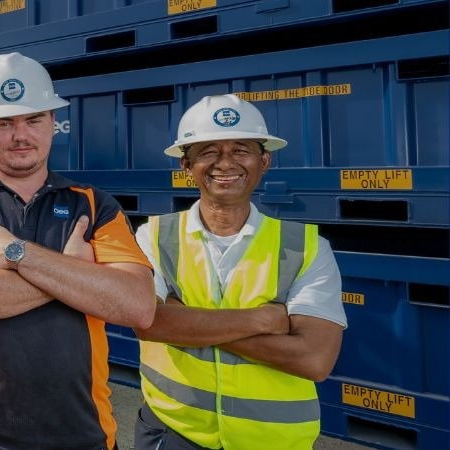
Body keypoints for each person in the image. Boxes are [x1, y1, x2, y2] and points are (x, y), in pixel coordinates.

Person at [0, 52, 158, 450]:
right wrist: (79, 273)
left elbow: (137, 306)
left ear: (52, 123)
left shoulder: (95, 204)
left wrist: (17, 255)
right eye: (4, 122)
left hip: (83, 433)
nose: (20, 135)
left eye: (33, 119)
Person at [130, 94, 345, 449]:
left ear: (264, 161)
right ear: (186, 165)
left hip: (274, 441)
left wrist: (186, 322)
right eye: (208, 151)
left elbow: (314, 359)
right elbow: (148, 323)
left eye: (241, 150)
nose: (225, 163)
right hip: (173, 431)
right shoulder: (153, 235)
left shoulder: (306, 247)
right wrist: (263, 320)